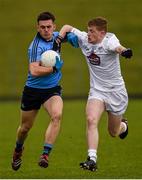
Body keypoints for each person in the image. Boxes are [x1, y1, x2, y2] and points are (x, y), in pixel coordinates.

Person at [54, 17, 133, 171]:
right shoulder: (85, 39)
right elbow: (68, 26)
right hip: (97, 91)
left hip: (116, 93)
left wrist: (125, 51)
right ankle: (92, 159)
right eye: (88, 30)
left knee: (113, 132)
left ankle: (124, 126)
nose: (88, 34)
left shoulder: (109, 41)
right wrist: (59, 37)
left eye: (92, 31)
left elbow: (118, 47)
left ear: (102, 33)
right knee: (91, 119)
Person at [11, 11, 78, 171]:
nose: (46, 30)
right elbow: (34, 70)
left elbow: (69, 29)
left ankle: (45, 154)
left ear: (54, 26)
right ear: (38, 28)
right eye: (42, 27)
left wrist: (74, 37)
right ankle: (18, 149)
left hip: (52, 90)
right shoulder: (35, 46)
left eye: (49, 27)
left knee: (57, 115)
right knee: (24, 128)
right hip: (33, 90)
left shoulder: (57, 36)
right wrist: (53, 68)